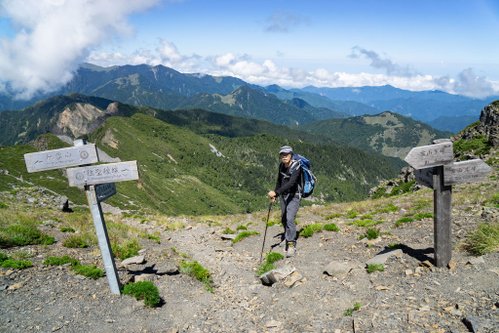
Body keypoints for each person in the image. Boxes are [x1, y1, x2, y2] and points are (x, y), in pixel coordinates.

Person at [267, 145, 302, 257]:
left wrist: (276, 193)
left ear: (291, 155)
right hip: (284, 196)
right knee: (283, 218)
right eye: (282, 154)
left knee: (290, 218)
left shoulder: (297, 167)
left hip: (294, 196)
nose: (284, 156)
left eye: (286, 154)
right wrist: (275, 195)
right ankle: (287, 237)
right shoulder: (282, 166)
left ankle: (291, 244)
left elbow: (291, 183)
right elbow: (279, 181)